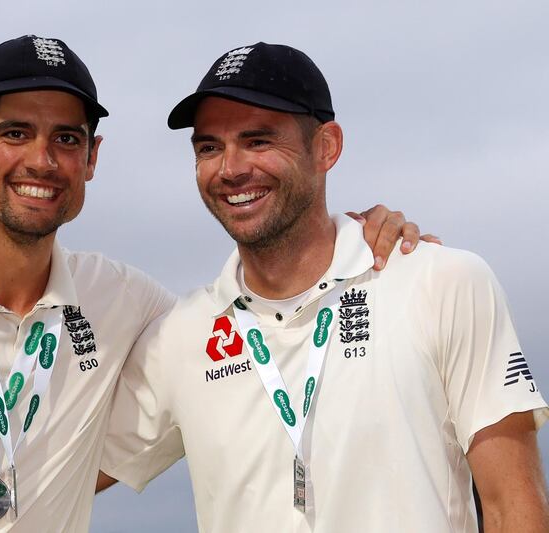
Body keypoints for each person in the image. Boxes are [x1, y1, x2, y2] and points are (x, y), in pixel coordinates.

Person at [0, 36, 424, 532]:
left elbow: (269, 314)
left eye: (67, 139)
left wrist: (364, 235)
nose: (42, 160)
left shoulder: (124, 303)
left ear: (92, 158)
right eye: (15, 132)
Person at [99, 43, 549, 532]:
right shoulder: (180, 337)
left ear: (326, 147)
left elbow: (513, 508)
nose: (230, 169)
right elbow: (52, 478)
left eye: (257, 140)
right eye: (209, 147)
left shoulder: (443, 283)